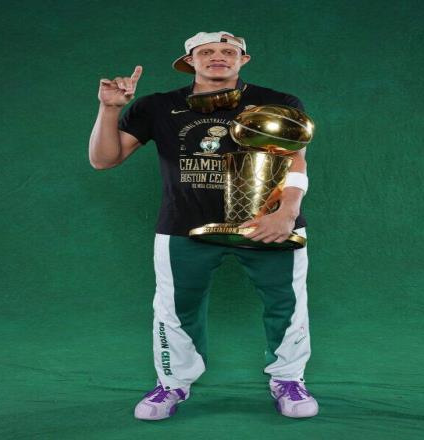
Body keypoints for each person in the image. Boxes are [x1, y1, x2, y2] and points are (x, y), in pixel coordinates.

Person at [88, 31, 318, 420]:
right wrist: (109, 108)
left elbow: (295, 158)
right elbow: (103, 160)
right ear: (189, 61)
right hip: (183, 224)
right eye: (206, 51)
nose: (218, 56)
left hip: (268, 223)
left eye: (229, 51)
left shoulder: (279, 102)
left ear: (243, 59)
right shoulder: (158, 106)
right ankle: (172, 384)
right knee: (175, 307)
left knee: (287, 303)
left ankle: (288, 379)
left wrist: (287, 212)